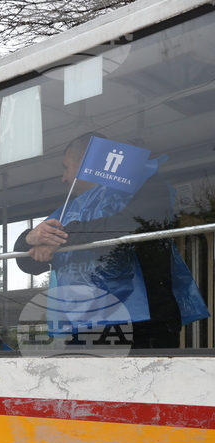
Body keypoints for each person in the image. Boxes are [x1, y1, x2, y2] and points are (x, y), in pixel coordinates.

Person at [13, 134, 209, 349]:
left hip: (144, 324)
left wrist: (61, 238)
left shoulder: (147, 187)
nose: (64, 178)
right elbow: (27, 263)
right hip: (85, 325)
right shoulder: (70, 209)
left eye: (66, 167)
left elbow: (130, 226)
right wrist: (30, 238)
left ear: (86, 165)